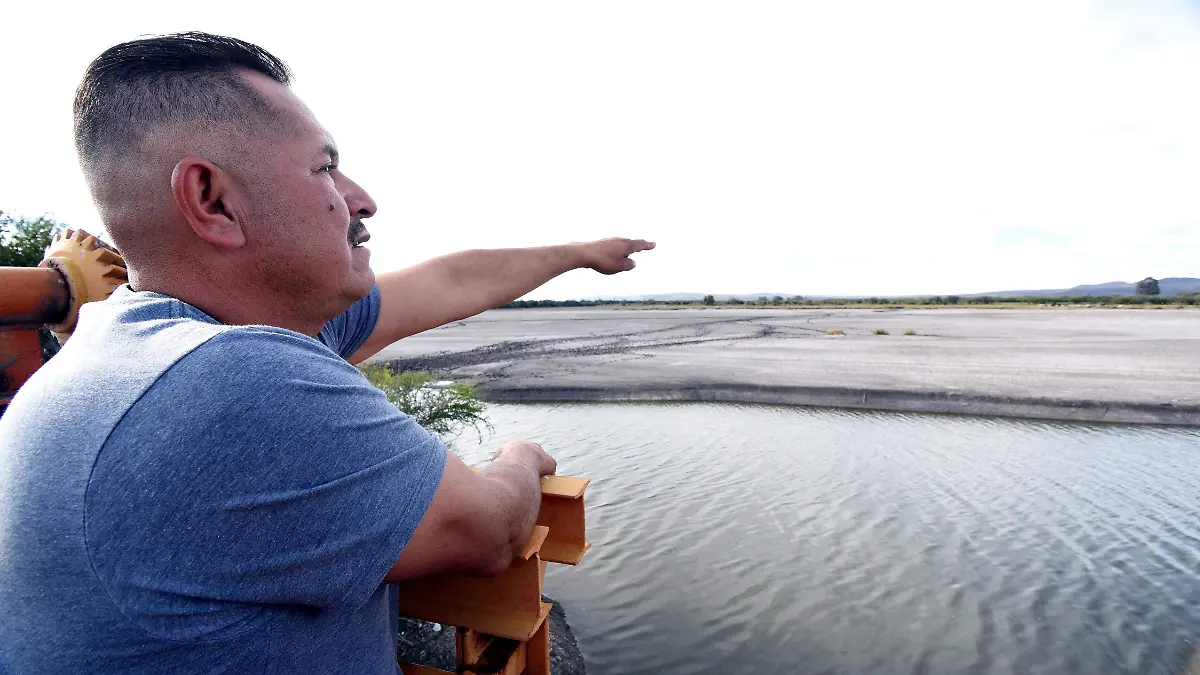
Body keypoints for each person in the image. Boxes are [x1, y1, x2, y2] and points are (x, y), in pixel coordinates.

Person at [0, 32, 653, 674]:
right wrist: (521, 457)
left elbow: (448, 284)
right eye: (325, 166)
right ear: (212, 199)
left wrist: (579, 254)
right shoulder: (231, 379)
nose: (362, 198)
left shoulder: (113, 349)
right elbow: (489, 529)